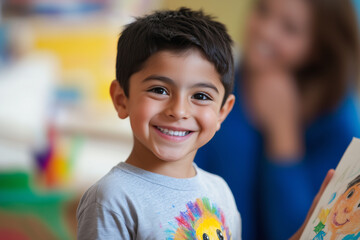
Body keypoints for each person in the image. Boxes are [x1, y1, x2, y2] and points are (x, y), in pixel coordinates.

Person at [195, 0, 360, 239]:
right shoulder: (215, 87)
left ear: (319, 47)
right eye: (263, 10)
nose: (265, 30)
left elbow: (299, 231)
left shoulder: (340, 125)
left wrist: (283, 132)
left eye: (290, 28)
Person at [76, 8, 240, 239]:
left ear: (222, 111)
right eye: (159, 90)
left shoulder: (220, 191)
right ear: (122, 100)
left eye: (201, 96)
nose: (179, 111)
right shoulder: (112, 198)